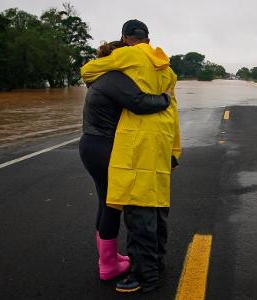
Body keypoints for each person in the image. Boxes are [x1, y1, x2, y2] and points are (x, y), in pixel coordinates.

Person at [81, 19, 181, 293]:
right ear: (148, 38)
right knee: (157, 205)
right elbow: (172, 109)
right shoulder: (166, 70)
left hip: (136, 143)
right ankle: (155, 263)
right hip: (161, 141)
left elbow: (86, 71)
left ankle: (142, 274)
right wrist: (174, 150)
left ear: (125, 39)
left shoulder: (125, 60)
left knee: (137, 210)